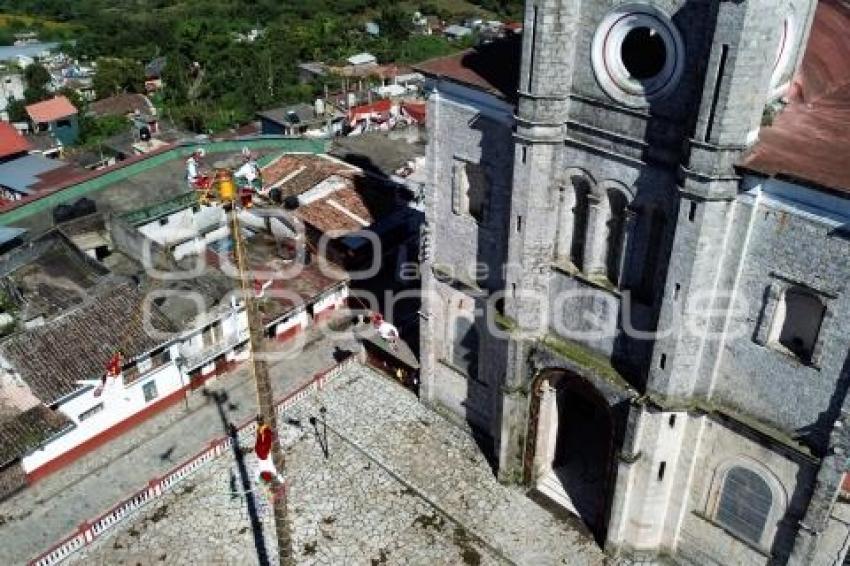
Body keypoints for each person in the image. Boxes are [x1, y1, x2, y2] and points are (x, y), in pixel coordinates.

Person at [254, 414, 283, 484]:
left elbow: (264, 441)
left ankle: (282, 481)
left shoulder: (267, 469)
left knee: (263, 438)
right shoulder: (263, 469)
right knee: (261, 438)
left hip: (263, 452)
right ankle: (282, 481)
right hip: (262, 452)